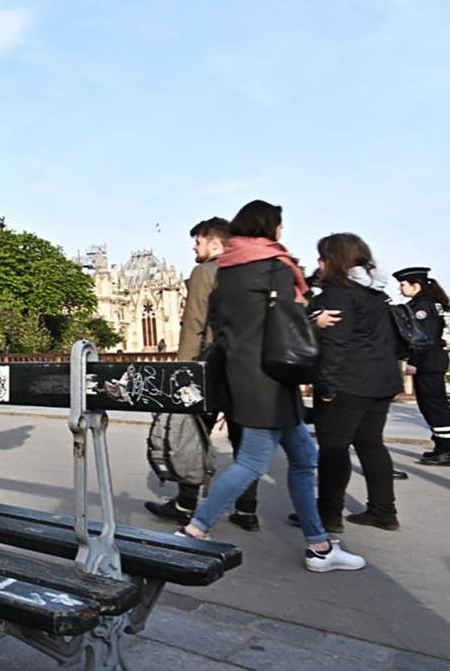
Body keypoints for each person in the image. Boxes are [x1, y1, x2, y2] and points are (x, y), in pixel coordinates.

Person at [178, 200, 365, 572]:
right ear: (270, 228)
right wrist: (314, 323)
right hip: (272, 381)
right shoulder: (275, 267)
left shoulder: (226, 270)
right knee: (251, 462)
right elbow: (287, 326)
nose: (282, 232)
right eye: (279, 226)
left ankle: (319, 544)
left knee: (303, 457)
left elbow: (227, 328)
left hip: (242, 375)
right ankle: (194, 530)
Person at [145, 217, 260, 530]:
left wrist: (183, 371)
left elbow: (193, 326)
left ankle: (185, 503)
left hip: (212, 369)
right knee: (243, 443)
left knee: (192, 436)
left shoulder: (206, 272)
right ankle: (247, 511)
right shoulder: (251, 271)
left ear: (214, 242)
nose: (194, 247)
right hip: (249, 370)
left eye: (197, 241)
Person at [307, 234, 403, 531]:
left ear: (334, 261)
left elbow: (335, 346)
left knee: (334, 449)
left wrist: (325, 388)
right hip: (381, 383)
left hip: (348, 384)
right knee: (372, 445)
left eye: (322, 258)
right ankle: (384, 512)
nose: (319, 264)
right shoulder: (375, 294)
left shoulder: (337, 295)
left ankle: (328, 516)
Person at [393, 267, 450, 466]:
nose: (400, 288)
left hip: (429, 361)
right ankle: (441, 445)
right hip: (434, 360)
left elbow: (424, 338)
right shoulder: (430, 303)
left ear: (416, 285)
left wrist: (413, 362)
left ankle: (446, 449)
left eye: (403, 284)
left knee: (435, 407)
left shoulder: (422, 307)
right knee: (433, 406)